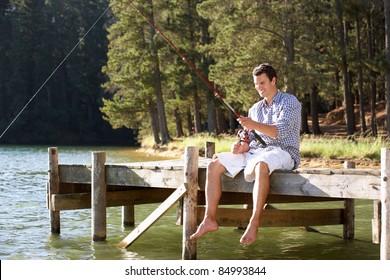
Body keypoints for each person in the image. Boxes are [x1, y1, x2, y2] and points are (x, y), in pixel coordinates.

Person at [190, 63, 301, 245]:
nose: (259, 88)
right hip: (257, 152)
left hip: (283, 152)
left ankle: (254, 221)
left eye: (263, 83)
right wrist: (243, 146)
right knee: (214, 164)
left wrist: (253, 125)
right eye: (257, 84)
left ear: (274, 80)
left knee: (261, 164)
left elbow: (278, 132)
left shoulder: (290, 102)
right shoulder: (255, 108)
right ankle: (210, 219)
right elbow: (251, 139)